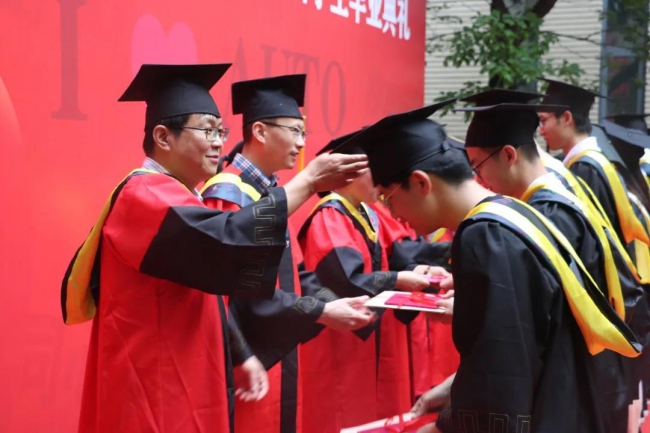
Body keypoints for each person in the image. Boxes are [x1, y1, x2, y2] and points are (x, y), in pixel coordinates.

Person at [61, 64, 369, 433]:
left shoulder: (181, 195)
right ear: (163, 137)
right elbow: (226, 241)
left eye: (220, 131)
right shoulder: (143, 195)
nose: (219, 142)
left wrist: (241, 354)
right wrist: (308, 182)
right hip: (153, 384)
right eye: (207, 130)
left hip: (186, 373)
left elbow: (218, 282)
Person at [337, 102, 641, 433]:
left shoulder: (485, 235)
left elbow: (501, 374)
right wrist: (452, 391)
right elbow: (517, 343)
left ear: (421, 182)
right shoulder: (513, 213)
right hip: (572, 401)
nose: (392, 213)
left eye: (388, 197)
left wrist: (443, 427)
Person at [457, 88, 649, 433]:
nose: (478, 181)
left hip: (583, 374)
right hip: (601, 362)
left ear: (508, 155)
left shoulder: (550, 211)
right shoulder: (562, 191)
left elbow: (542, 314)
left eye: (477, 167)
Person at [201, 74, 375, 433]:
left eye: (303, 133)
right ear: (260, 132)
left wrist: (335, 305)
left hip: (277, 352)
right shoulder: (228, 195)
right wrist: (242, 353)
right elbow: (227, 294)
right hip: (249, 359)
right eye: (294, 131)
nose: (301, 143)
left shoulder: (271, 194)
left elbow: (296, 274)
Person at [297, 131, 451, 432]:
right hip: (342, 342)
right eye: (374, 169)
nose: (381, 180)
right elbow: (345, 281)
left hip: (370, 341)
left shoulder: (365, 213)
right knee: (344, 414)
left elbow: (392, 258)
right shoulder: (329, 216)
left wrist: (417, 270)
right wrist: (398, 279)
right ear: (349, 173)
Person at [539, 79, 650, 279]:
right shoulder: (596, 161)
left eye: (544, 120)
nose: (541, 130)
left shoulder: (585, 169)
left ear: (566, 118)